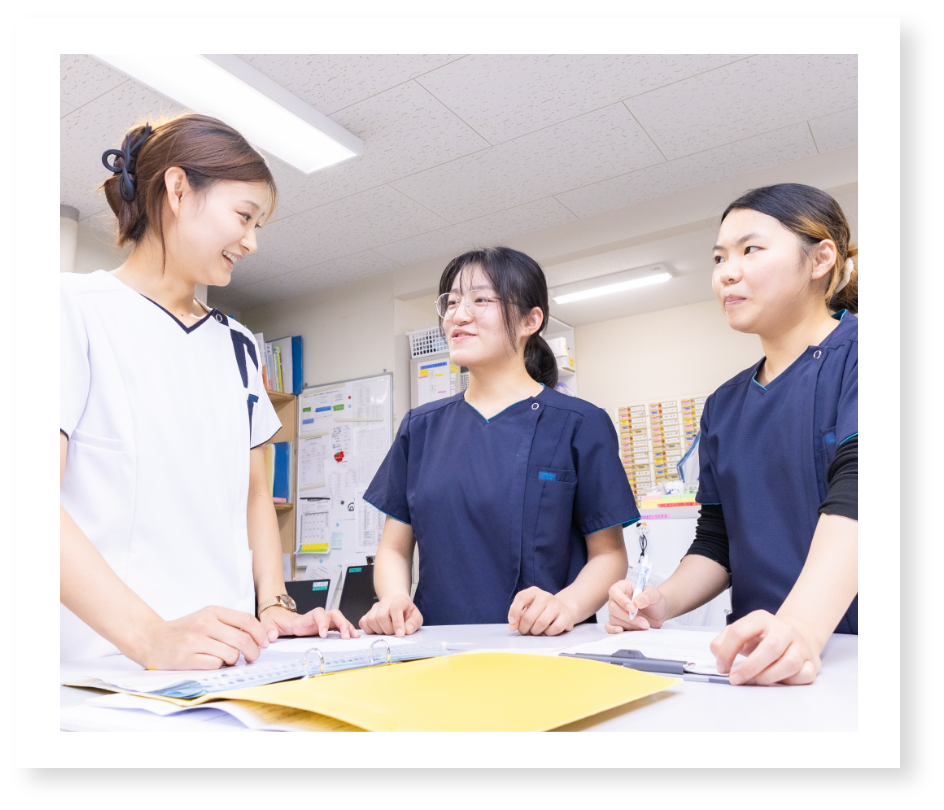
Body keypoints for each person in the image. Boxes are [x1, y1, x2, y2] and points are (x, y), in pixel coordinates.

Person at [60, 114, 358, 669]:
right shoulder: (69, 309)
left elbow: (255, 493)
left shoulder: (239, 345)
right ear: (177, 190)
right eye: (244, 216)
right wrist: (150, 638)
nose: (251, 241)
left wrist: (273, 606)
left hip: (229, 658)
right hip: (105, 665)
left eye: (257, 224)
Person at [606, 183, 858, 686]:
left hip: (853, 651)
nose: (726, 272)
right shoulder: (724, 404)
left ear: (820, 259)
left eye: (750, 250)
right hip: (755, 656)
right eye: (719, 257)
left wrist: (801, 627)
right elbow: (718, 540)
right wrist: (661, 601)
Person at [360, 247, 637, 637]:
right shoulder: (419, 428)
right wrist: (393, 599)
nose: (458, 315)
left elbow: (609, 555)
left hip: (544, 643)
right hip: (435, 644)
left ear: (530, 320)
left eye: (480, 300)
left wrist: (567, 606)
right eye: (451, 302)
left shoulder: (579, 423)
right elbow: (393, 547)